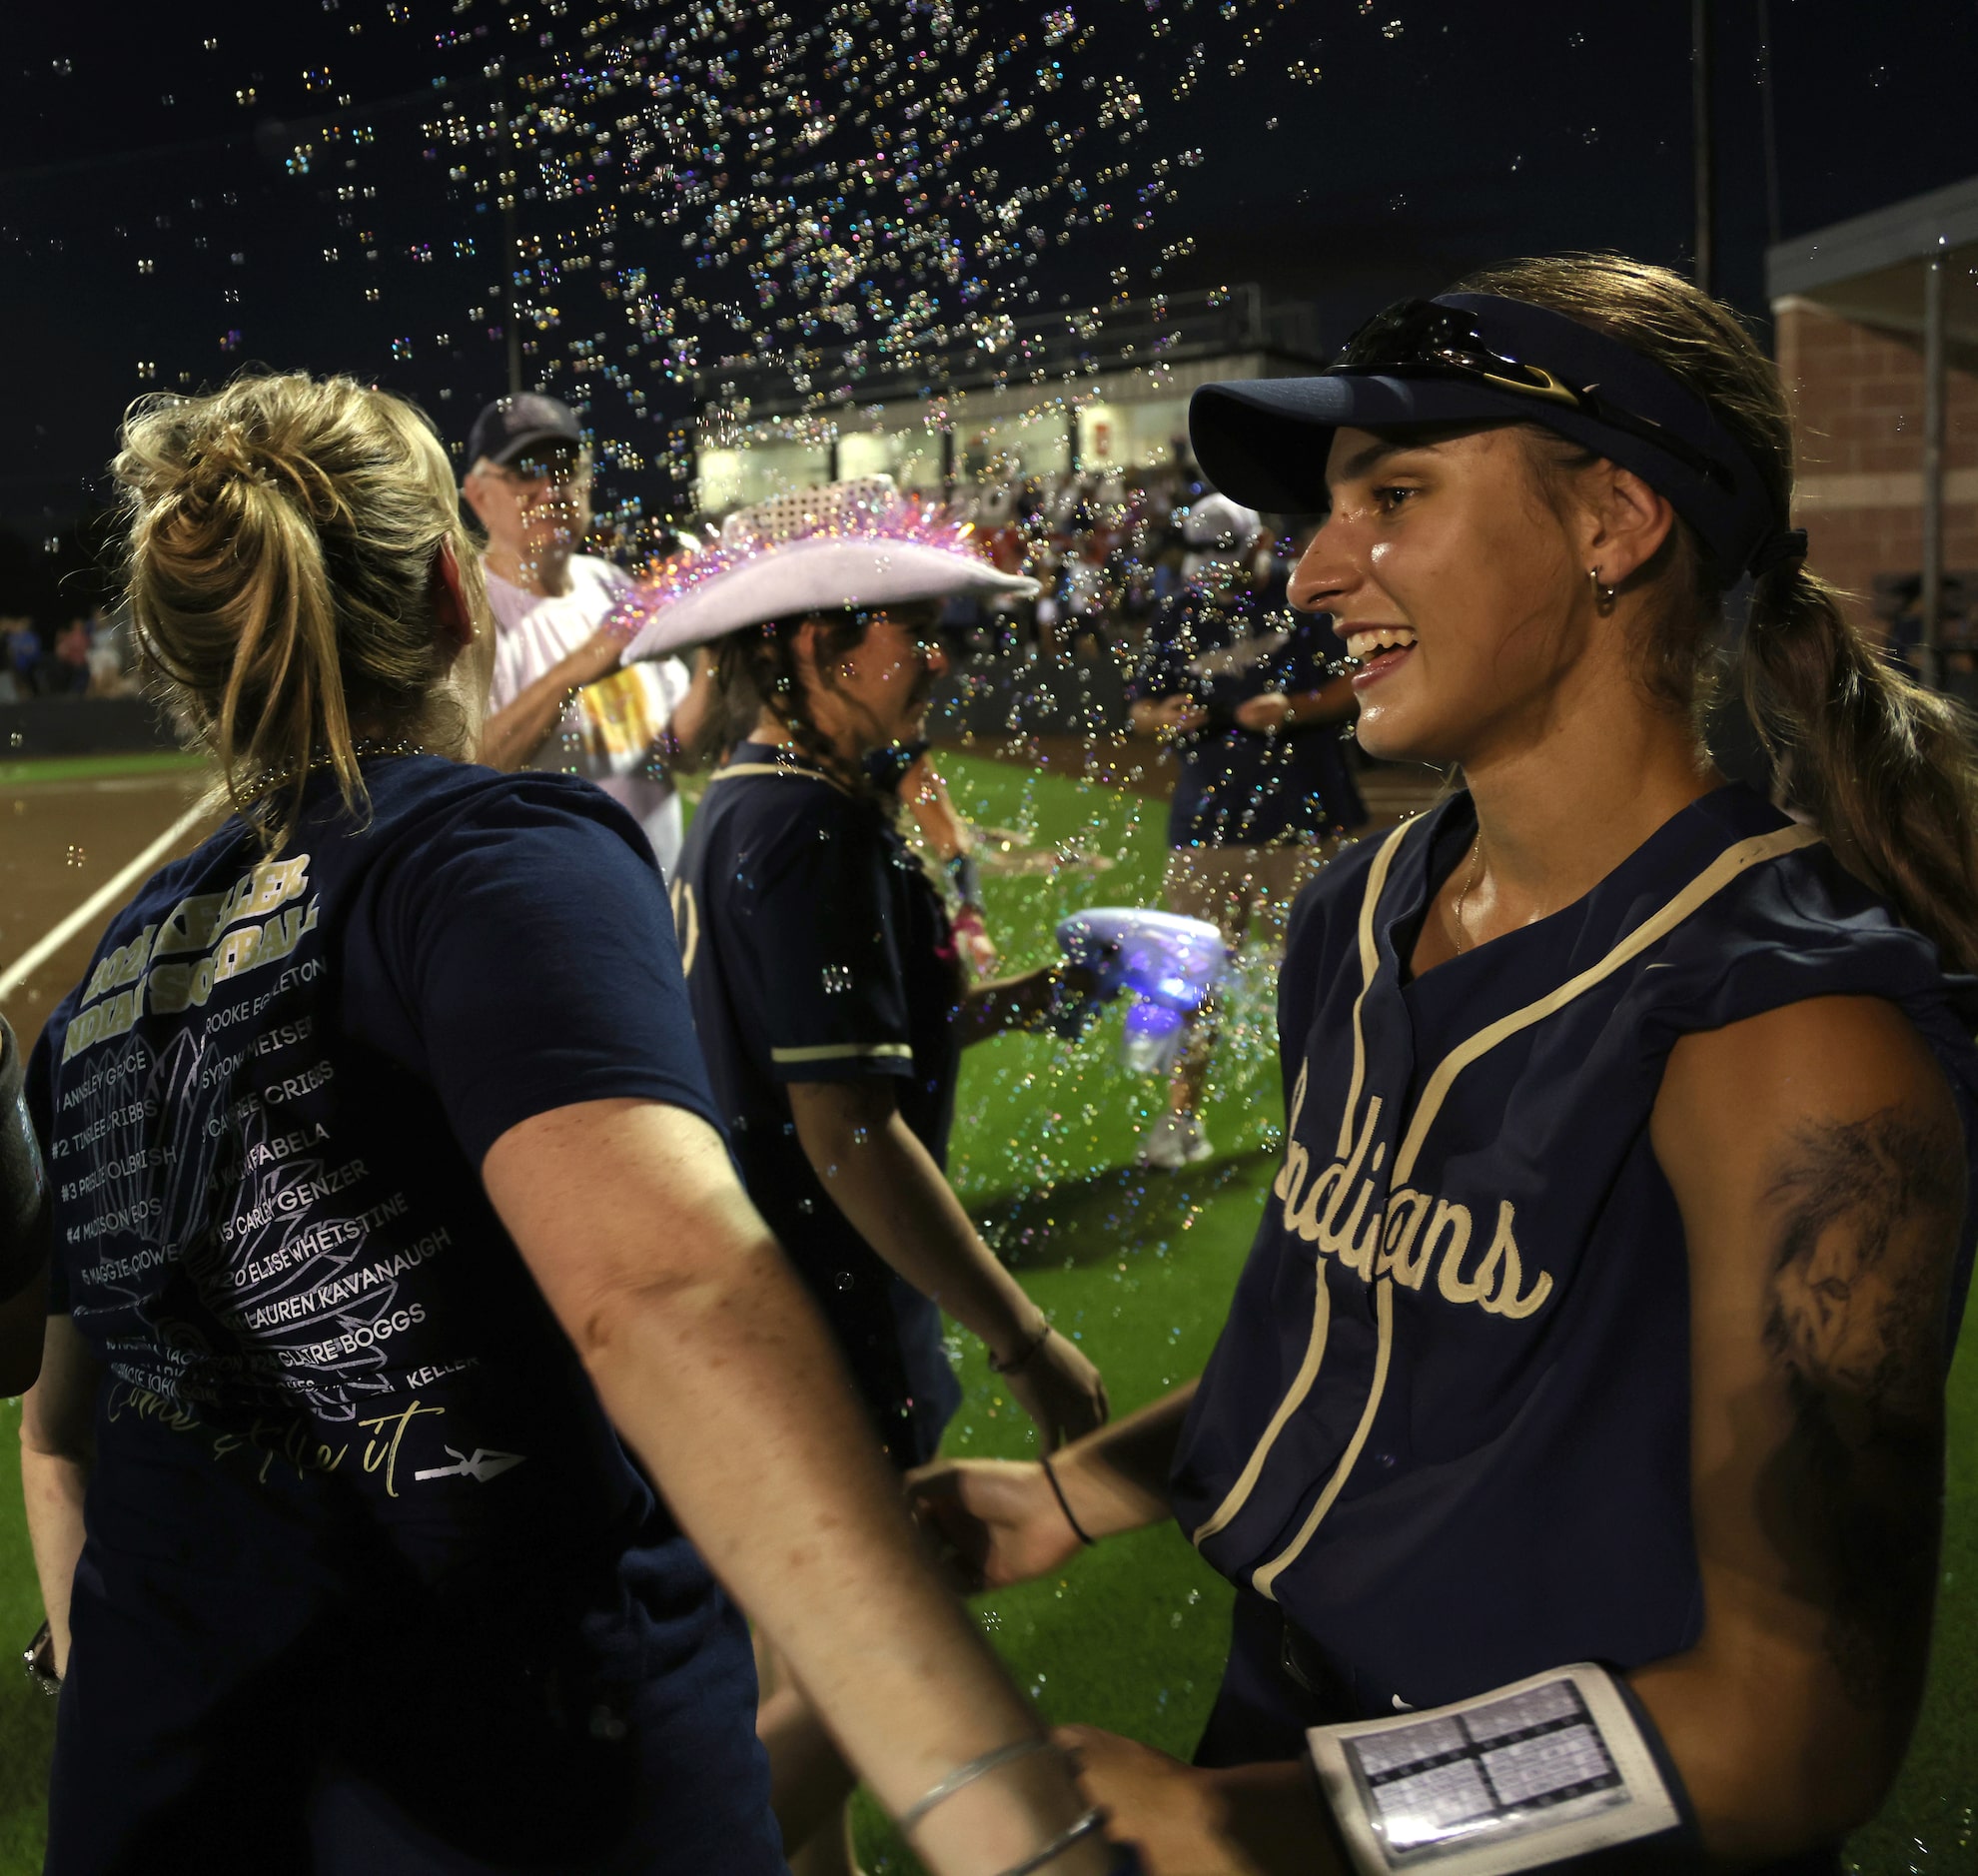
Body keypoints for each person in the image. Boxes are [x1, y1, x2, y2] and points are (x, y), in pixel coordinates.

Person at [911, 258, 1978, 1874]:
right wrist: (1072, 1491)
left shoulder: (1790, 1028)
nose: (1317, 570)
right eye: (1329, 508)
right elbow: (1355, 1338)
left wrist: (1267, 1818)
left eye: (1392, 494)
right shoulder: (1359, 912)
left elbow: (1795, 1727)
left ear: (1615, 523)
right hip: (1287, 1743)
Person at [14, 376, 1132, 1876]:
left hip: (158, 1796)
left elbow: (57, 1425)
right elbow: (661, 1293)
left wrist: (109, 1668)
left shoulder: (102, 986)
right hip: (528, 1782)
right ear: (442, 589)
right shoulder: (492, 852)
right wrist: (1000, 1793)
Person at [616, 481, 1115, 1875]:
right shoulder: (811, 828)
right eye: (912, 629)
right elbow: (850, 1131)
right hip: (829, 1313)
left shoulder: (756, 805)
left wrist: (1018, 998)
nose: (938, 654)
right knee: (880, 1679)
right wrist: (1027, 1336)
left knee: (806, 1679)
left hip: (771, 1311)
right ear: (820, 647)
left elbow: (835, 1043)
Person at [1125, 493, 1362, 1169]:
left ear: (1259, 543)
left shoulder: (1304, 599)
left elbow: (1358, 682)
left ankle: (1324, 1132)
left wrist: (1294, 707)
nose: (1219, 572)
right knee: (1190, 985)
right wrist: (1165, 714)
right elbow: (1141, 710)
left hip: (1299, 821)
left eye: (1229, 556)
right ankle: (1179, 1121)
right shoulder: (1178, 613)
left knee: (1315, 983)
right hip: (1207, 826)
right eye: (1209, 559)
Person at [460, 391, 705, 876]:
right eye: (526, 472)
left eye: (565, 470)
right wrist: (586, 661)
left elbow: (681, 751)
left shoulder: (612, 585)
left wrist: (720, 643)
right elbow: (465, 771)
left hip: (658, 903)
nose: (552, 490)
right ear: (478, 495)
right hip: (560, 912)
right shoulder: (467, 608)